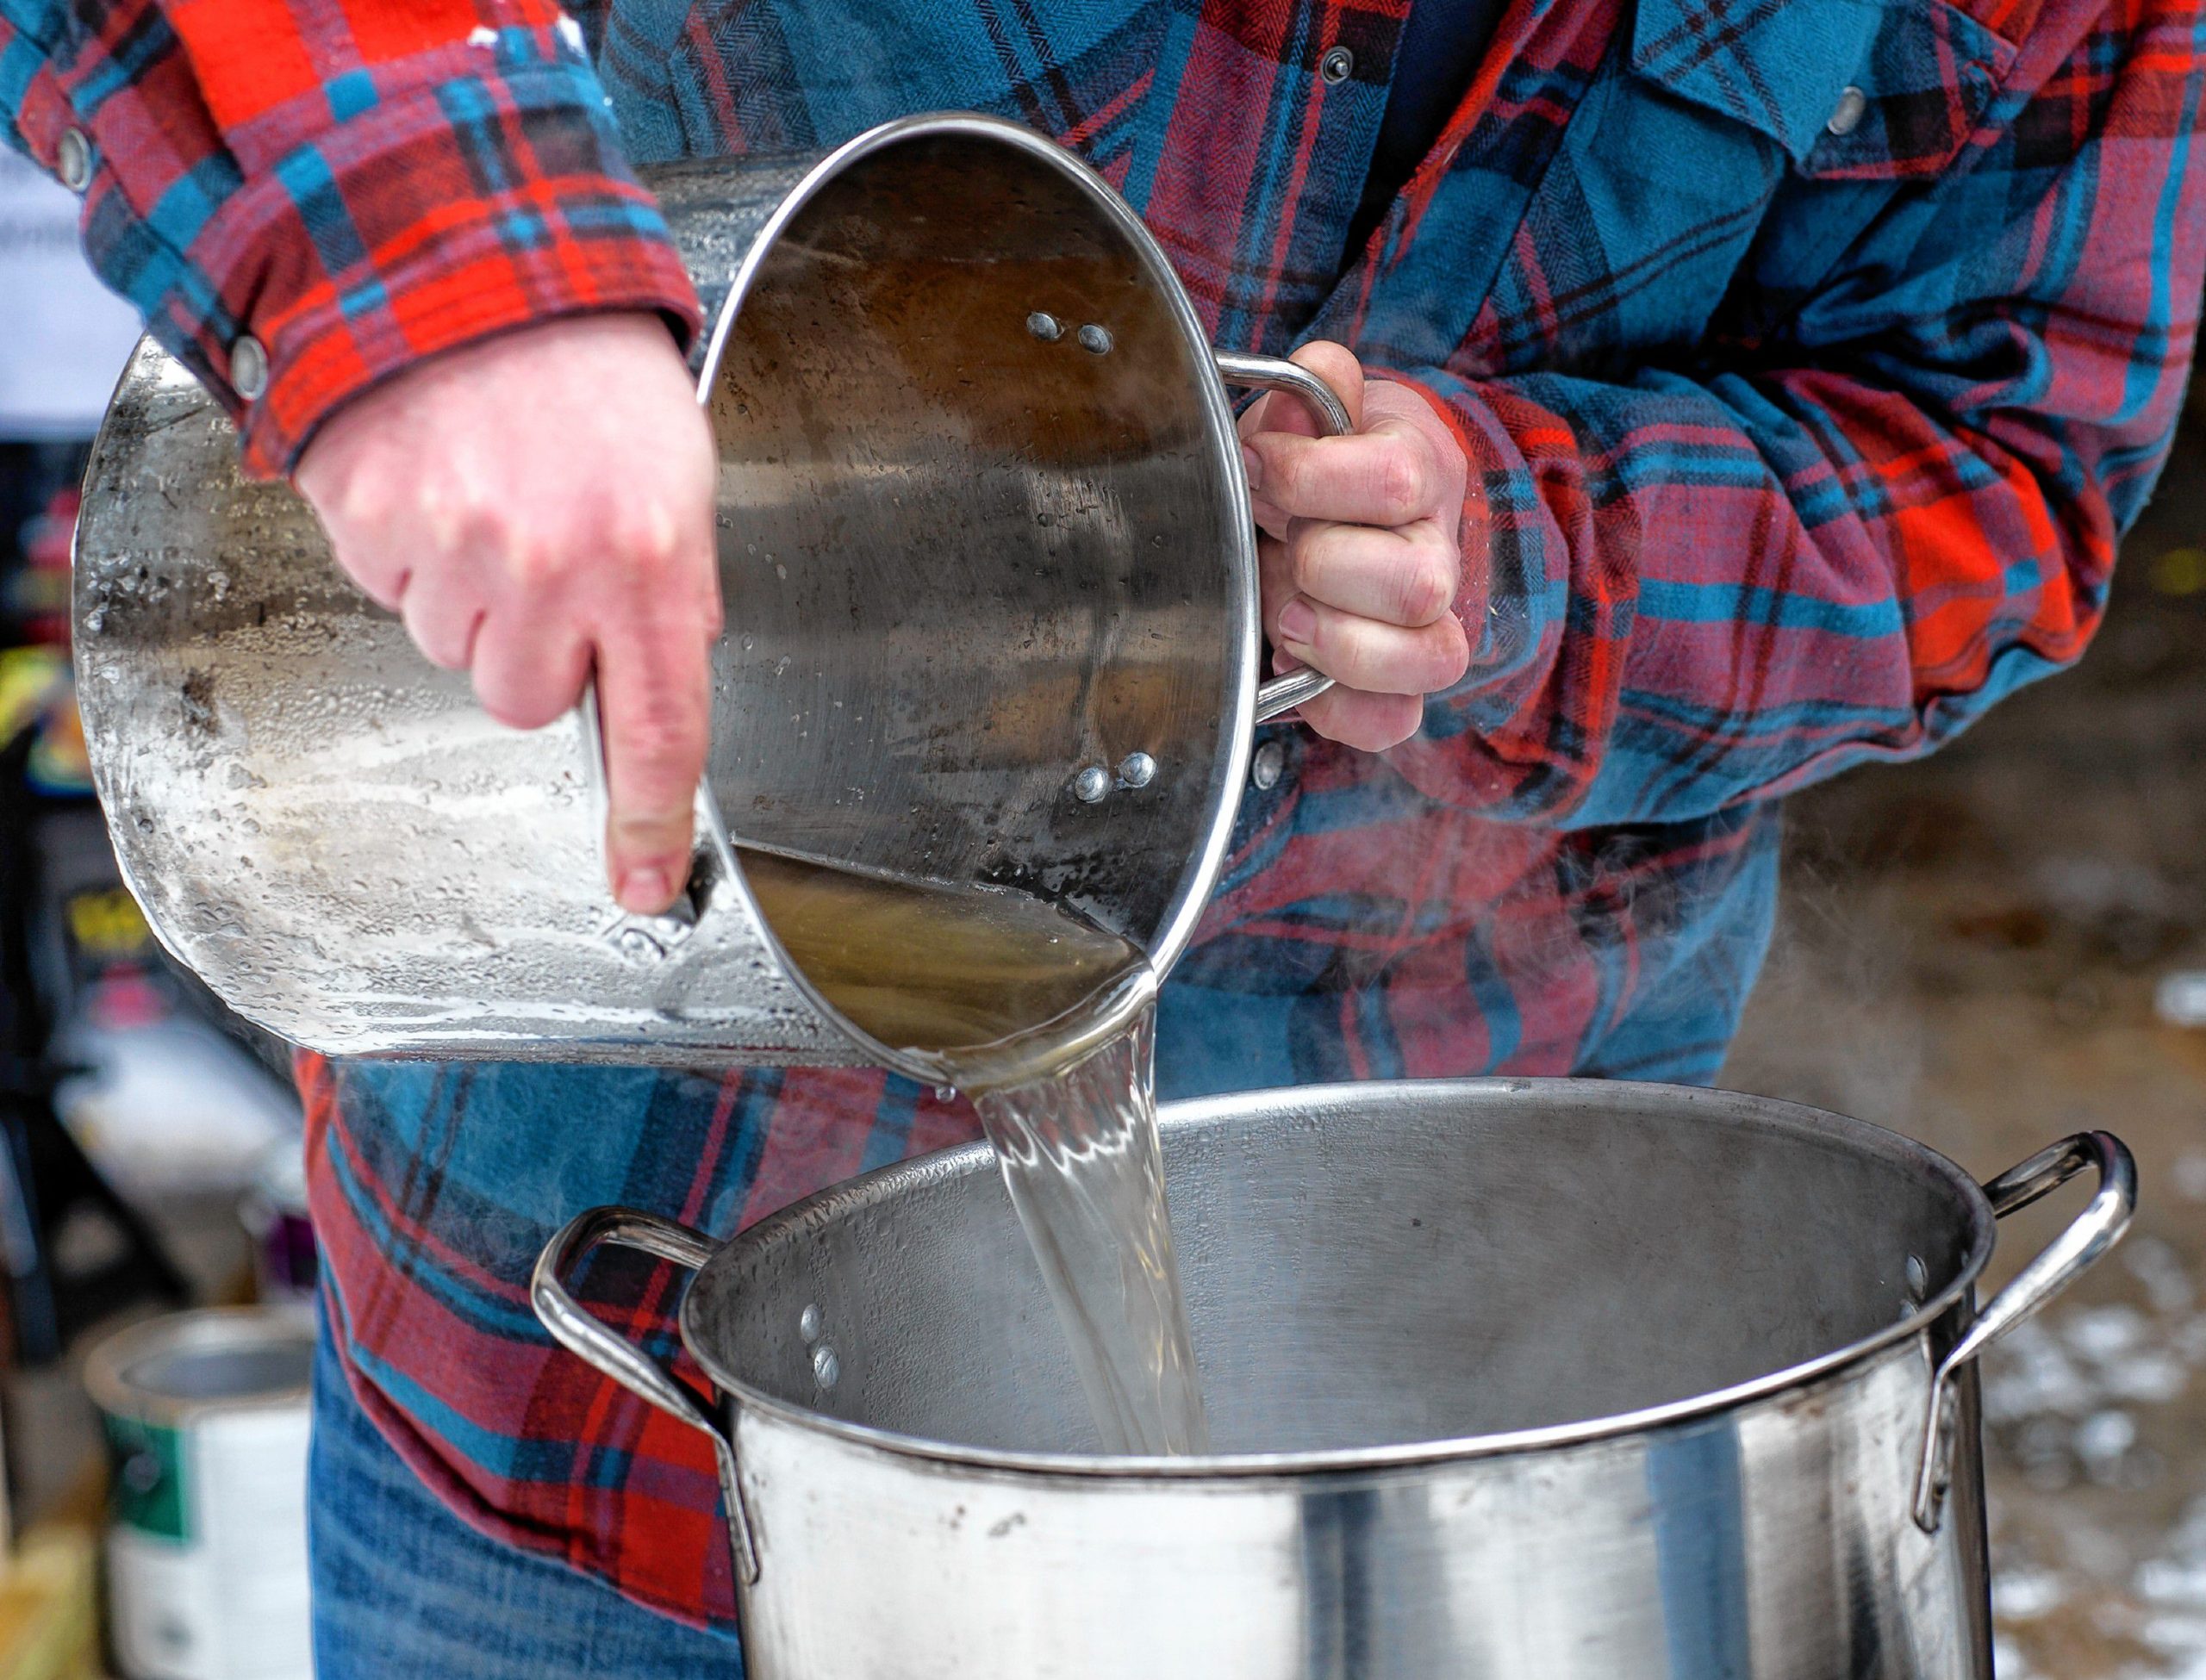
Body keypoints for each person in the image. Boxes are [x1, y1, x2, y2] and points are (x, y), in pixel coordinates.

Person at [8, 0, 2202, 1666]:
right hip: (595, 1400)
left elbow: (1998, 449)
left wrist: (1530, 550)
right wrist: (441, 267)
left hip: (1482, 1450)